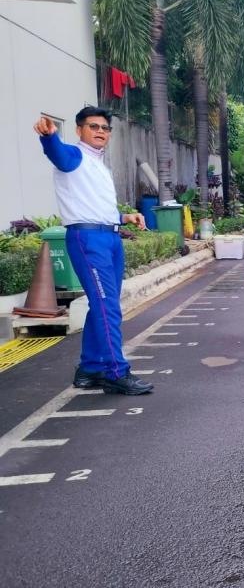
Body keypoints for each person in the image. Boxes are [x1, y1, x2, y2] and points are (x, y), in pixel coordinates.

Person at [34, 107, 153, 395]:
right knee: (107, 307)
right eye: (93, 126)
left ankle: (90, 369)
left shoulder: (98, 164)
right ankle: (116, 372)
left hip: (109, 237)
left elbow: (95, 205)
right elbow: (58, 154)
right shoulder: (74, 156)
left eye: (104, 128)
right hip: (88, 240)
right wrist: (49, 137)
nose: (100, 131)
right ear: (79, 130)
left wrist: (125, 218)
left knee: (102, 305)